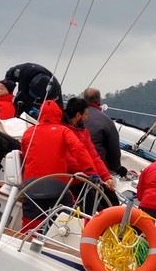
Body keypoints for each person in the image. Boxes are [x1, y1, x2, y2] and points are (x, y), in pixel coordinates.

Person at [19, 100, 98, 233]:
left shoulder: (29, 132)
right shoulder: (64, 131)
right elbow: (79, 150)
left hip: (31, 186)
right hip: (57, 186)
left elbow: (25, 156)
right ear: (58, 114)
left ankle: (25, 242)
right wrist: (92, 172)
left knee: (30, 225)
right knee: (72, 220)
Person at [62, 96, 117, 208]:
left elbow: (94, 156)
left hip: (87, 178)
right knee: (94, 207)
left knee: (111, 199)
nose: (87, 118)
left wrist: (106, 177)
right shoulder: (63, 131)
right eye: (86, 114)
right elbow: (68, 160)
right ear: (78, 115)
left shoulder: (83, 131)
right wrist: (92, 175)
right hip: (73, 180)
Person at [83, 88, 126, 179]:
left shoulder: (73, 117)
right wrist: (116, 168)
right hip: (95, 170)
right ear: (99, 100)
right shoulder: (106, 121)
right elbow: (114, 150)